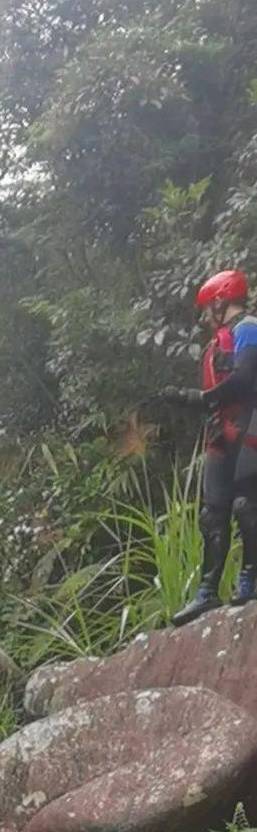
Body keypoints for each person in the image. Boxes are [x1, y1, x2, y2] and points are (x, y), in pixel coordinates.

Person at [163, 268, 257, 625]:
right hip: (221, 432)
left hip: (250, 426)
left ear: (221, 302)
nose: (205, 317)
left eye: (207, 309)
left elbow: (246, 379)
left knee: (247, 506)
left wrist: (198, 398)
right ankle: (207, 591)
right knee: (211, 513)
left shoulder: (248, 328)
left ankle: (250, 580)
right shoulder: (217, 342)